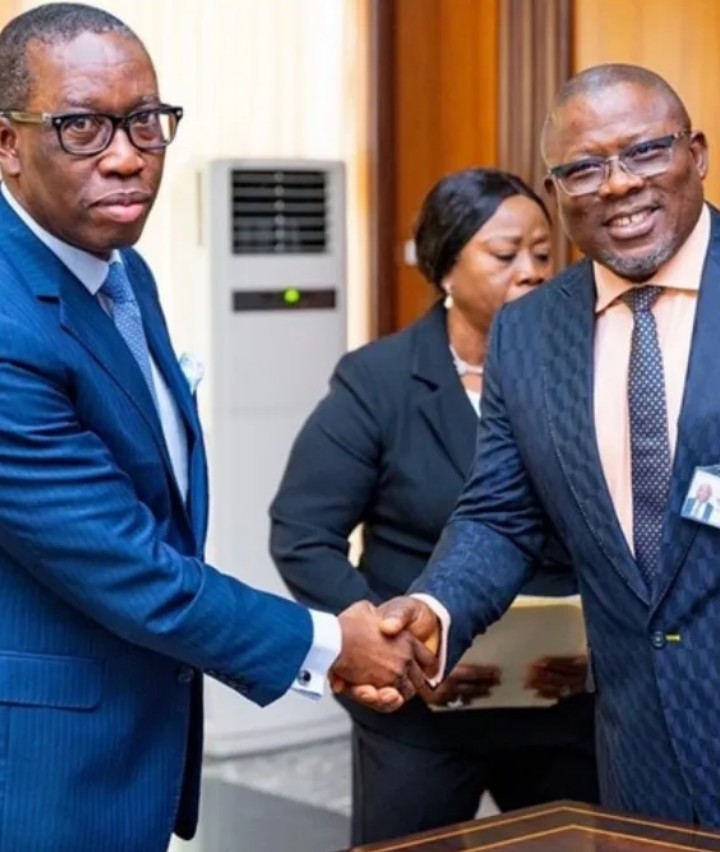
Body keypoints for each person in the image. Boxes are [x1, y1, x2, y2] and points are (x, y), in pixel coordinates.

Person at [0, 5, 429, 851]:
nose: (126, 155)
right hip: (41, 769)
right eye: (81, 126)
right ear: (8, 144)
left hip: (127, 736)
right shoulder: (9, 320)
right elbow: (125, 562)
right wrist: (330, 643)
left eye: (145, 121)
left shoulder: (126, 273)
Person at [347, 62, 720, 827]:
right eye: (584, 169)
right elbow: (501, 515)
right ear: (556, 191)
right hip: (640, 756)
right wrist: (435, 608)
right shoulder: (528, 333)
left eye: (646, 151)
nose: (619, 184)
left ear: (697, 154)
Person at [270, 168, 598, 845]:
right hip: (422, 712)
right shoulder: (379, 380)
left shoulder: (588, 370)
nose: (532, 272)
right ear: (446, 267)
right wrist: (383, 644)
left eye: (544, 253)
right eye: (505, 254)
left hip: (564, 706)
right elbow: (302, 533)